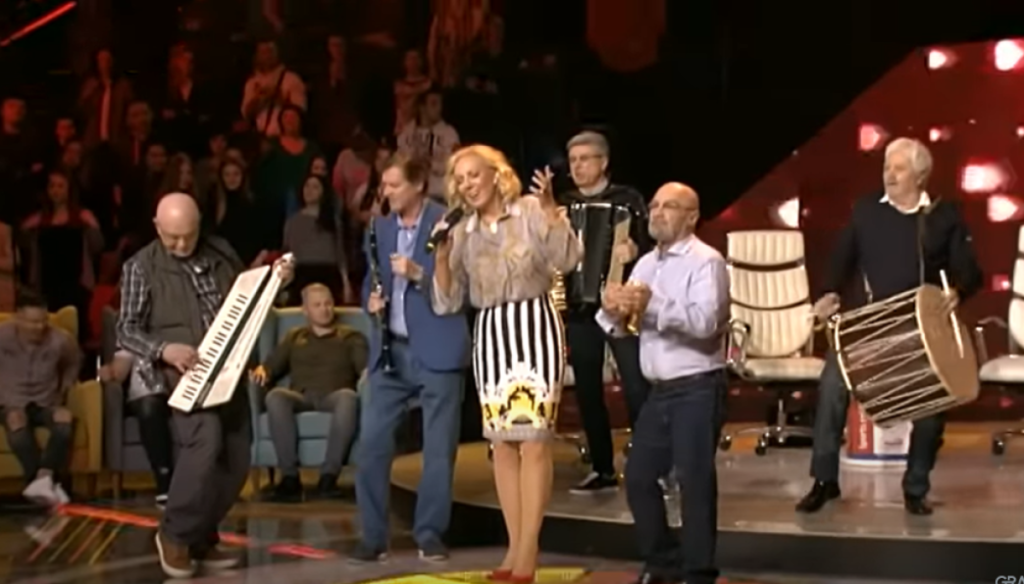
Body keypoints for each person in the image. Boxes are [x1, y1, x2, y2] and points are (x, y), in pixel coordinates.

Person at [796, 137, 982, 516]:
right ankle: (824, 480)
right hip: (869, 327)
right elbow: (841, 259)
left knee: (933, 405)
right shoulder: (866, 211)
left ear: (920, 175)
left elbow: (969, 271)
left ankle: (915, 487)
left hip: (922, 333)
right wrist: (829, 293)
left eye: (899, 168)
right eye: (886, 167)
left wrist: (958, 291)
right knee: (832, 386)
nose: (889, 175)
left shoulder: (943, 216)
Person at [117, 192, 294, 578]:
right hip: (184, 372)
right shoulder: (140, 267)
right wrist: (164, 349)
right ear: (157, 228)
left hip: (230, 368)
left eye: (189, 235)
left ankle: (201, 537)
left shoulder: (220, 251)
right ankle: (175, 535)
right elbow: (126, 329)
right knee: (205, 441)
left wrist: (276, 282)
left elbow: (246, 298)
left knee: (236, 456)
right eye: (173, 237)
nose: (182, 244)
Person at [431, 145, 582, 580]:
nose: (467, 185)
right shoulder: (463, 231)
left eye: (473, 175)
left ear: (496, 175)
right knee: (502, 445)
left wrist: (552, 212)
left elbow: (568, 260)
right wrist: (440, 256)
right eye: (460, 179)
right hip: (491, 333)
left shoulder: (531, 210)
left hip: (534, 326)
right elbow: (447, 302)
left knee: (533, 441)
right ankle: (514, 549)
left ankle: (528, 552)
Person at [596, 182, 729, 584]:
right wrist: (612, 308)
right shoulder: (644, 265)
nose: (657, 212)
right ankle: (663, 562)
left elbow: (706, 324)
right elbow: (623, 329)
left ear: (692, 217)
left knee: (694, 480)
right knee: (639, 477)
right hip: (660, 390)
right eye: (654, 206)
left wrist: (652, 304)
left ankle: (698, 571)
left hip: (698, 385)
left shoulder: (707, 261)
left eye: (669, 206)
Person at [349, 154, 470, 563]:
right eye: (384, 185)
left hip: (438, 348)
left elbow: (464, 288)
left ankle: (430, 533)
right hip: (390, 353)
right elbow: (371, 279)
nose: (386, 193)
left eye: (394, 185)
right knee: (371, 445)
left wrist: (420, 273)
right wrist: (370, 302)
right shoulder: (379, 228)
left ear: (418, 185)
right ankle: (372, 537)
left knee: (438, 450)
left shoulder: (450, 223)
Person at [553, 130, 653, 495]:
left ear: (604, 162)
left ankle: (650, 466)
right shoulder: (565, 204)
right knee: (588, 391)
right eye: (573, 161)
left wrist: (635, 250)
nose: (577, 167)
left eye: (585, 159)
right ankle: (602, 468)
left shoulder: (628, 201)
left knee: (636, 387)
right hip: (581, 307)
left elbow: (653, 248)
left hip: (620, 307)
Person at [251, 283, 367, 501]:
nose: (325, 309)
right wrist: (263, 370)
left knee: (348, 397)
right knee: (275, 397)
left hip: (334, 395)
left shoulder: (351, 337)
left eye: (328, 304)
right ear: (305, 310)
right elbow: (271, 367)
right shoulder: (294, 336)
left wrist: (369, 376)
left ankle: (328, 477)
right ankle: (290, 479)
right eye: (317, 305)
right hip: (301, 396)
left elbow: (365, 370)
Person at [0, 288, 81, 507]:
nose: (39, 327)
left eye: (43, 321)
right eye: (32, 322)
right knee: (16, 420)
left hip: (45, 400)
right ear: (18, 317)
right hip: (10, 401)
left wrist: (66, 385)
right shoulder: (3, 336)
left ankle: (43, 479)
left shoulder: (60, 339)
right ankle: (44, 484)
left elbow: (74, 362)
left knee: (64, 418)